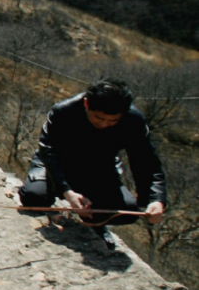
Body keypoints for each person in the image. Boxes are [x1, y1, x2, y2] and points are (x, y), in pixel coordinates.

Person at [19, 77, 166, 250]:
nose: (104, 124)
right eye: (99, 118)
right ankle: (57, 210)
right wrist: (67, 191)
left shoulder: (133, 120)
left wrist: (156, 199)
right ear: (87, 103)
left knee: (126, 211)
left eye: (113, 121)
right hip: (56, 163)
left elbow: (146, 160)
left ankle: (95, 223)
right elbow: (48, 151)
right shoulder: (64, 111)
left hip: (99, 167)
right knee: (33, 197)